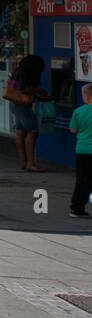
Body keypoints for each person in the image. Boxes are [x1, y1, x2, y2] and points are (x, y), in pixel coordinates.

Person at [8, 54, 47, 172]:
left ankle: (23, 162)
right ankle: (31, 163)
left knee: (20, 132)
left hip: (14, 103)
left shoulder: (17, 71)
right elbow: (23, 88)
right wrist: (38, 90)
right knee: (33, 132)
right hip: (23, 105)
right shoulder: (25, 73)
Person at [68, 83, 92, 218]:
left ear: (86, 97)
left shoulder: (78, 111)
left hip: (83, 150)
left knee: (82, 180)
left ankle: (77, 208)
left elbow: (73, 129)